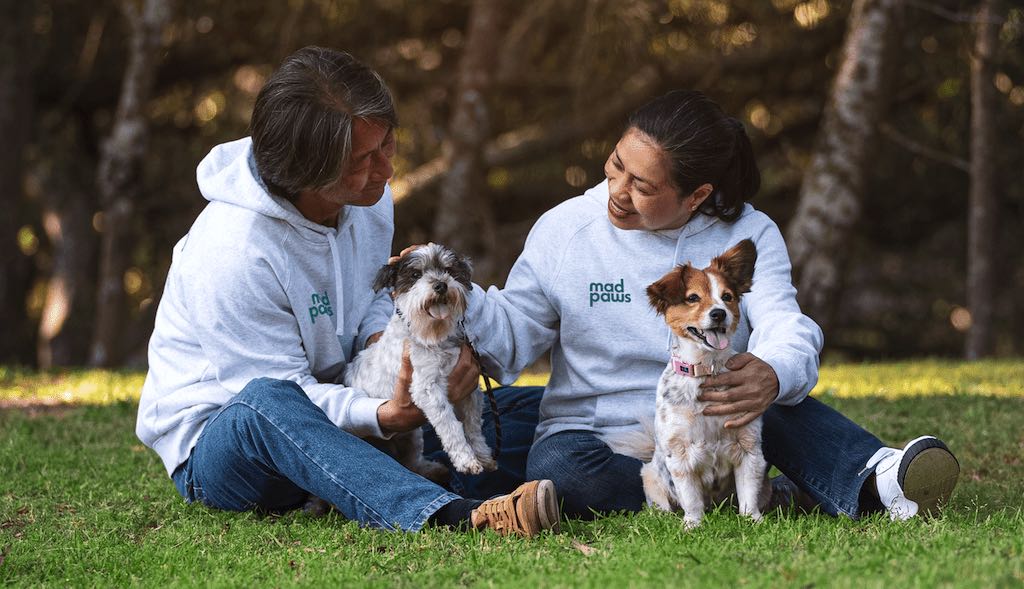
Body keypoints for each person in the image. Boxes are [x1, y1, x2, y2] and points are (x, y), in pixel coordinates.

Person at [460, 90, 960, 521]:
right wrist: (457, 296)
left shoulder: (748, 232)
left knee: (769, 393)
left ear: (696, 195)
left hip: (718, 412)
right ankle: (759, 496)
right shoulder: (565, 229)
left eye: (643, 186)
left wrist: (774, 370)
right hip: (603, 434)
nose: (617, 192)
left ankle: (875, 481)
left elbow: (784, 324)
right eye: (617, 165)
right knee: (562, 471)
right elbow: (510, 334)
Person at [135, 46, 560, 537]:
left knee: (552, 411)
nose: (386, 170)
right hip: (233, 448)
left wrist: (398, 356)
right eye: (364, 159)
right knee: (266, 403)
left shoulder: (368, 202)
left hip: (356, 404)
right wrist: (385, 415)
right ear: (306, 173)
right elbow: (280, 395)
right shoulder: (232, 251)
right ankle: (447, 515)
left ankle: (625, 470)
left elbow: (373, 305)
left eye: (387, 145)